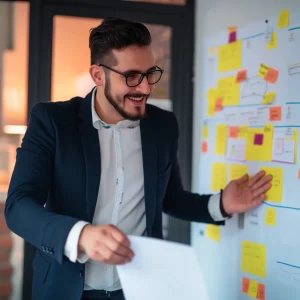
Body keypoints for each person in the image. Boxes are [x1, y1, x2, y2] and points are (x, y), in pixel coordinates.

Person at [4, 17, 272, 300]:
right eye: (131, 76)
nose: (145, 88)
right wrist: (80, 235)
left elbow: (170, 198)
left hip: (139, 290)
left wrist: (221, 204)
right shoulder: (53, 121)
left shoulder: (163, 125)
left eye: (150, 73)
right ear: (98, 75)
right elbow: (19, 206)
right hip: (66, 289)